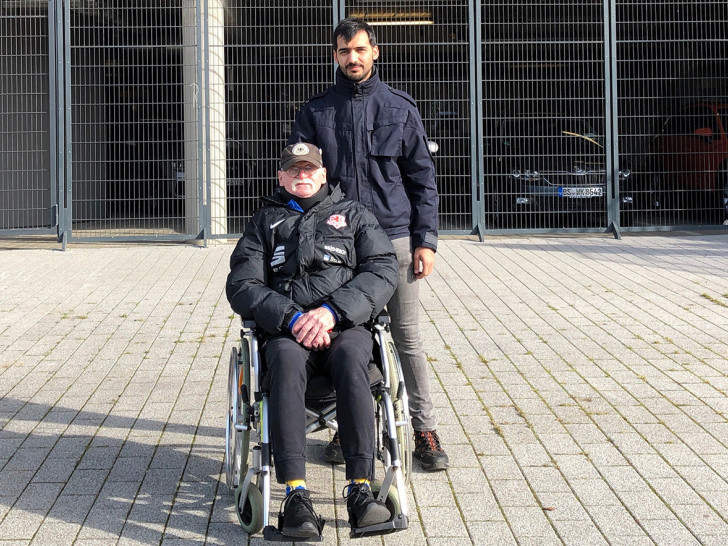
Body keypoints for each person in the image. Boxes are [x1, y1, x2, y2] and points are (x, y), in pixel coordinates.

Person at [288, 17, 449, 471]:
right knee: (345, 336)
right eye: (343, 51)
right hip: (337, 246)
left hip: (394, 240)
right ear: (335, 55)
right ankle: (349, 426)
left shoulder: (400, 108)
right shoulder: (316, 112)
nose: (352, 58)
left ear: (374, 51)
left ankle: (425, 430)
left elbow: (422, 180)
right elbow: (300, 179)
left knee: (406, 336)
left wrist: (426, 240)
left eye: (359, 49)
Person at [226, 142, 399, 538]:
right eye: (293, 170)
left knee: (354, 360)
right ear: (281, 177)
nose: (301, 176)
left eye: (309, 170)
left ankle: (360, 489)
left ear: (323, 175)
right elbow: (241, 284)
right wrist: (291, 317)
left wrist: (332, 312)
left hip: (346, 327)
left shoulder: (356, 216)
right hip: (287, 333)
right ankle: (296, 495)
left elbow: (382, 269)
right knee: (283, 363)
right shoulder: (263, 222)